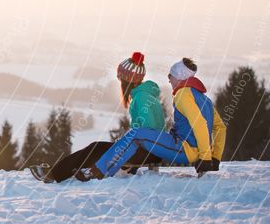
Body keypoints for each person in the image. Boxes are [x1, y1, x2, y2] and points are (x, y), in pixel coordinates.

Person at [39, 52, 165, 182]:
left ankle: (54, 174)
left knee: (96, 148)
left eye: (121, 78)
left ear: (127, 79)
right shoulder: (144, 94)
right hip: (148, 150)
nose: (120, 81)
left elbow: (148, 130)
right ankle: (68, 171)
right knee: (99, 148)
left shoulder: (142, 97)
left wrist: (126, 145)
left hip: (147, 152)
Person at [91, 57, 226, 178]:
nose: (168, 79)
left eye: (170, 75)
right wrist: (215, 158)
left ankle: (100, 171)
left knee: (137, 133)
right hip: (186, 147)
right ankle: (121, 170)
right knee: (138, 135)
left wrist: (205, 158)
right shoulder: (204, 98)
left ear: (179, 77)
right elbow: (220, 127)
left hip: (184, 148)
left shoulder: (183, 95)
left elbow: (199, 123)